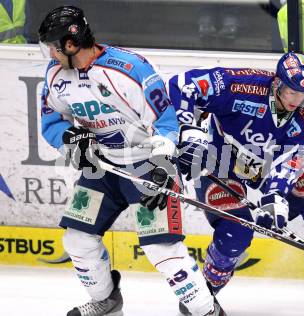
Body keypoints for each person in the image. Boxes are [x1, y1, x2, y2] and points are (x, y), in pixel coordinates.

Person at [167, 52, 304, 314]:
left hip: (268, 166)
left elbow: (293, 161)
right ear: (277, 83)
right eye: (292, 93)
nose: (297, 101)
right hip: (220, 162)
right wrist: (187, 130)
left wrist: (275, 196)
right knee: (235, 235)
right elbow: (182, 83)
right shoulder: (241, 85)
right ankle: (202, 294)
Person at [38, 5, 225, 316]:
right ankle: (107, 302)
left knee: (162, 250)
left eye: (54, 48)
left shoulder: (130, 68)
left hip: (147, 168)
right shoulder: (56, 74)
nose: (51, 55)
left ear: (70, 45)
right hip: (102, 169)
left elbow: (166, 122)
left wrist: (164, 165)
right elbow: (51, 123)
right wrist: (70, 139)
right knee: (78, 241)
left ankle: (207, 311)